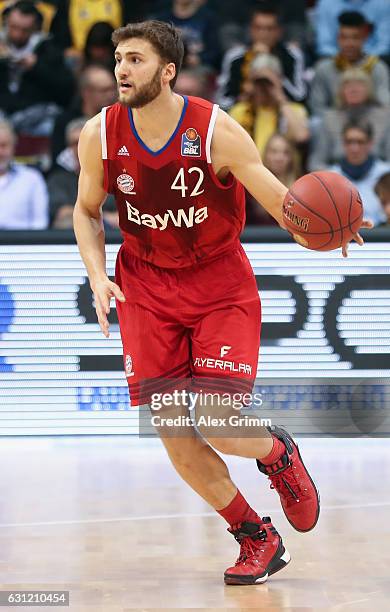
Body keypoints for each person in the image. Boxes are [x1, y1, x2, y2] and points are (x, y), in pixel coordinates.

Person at [73, 20, 369, 586]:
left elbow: (287, 208)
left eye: (134, 59)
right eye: (117, 58)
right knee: (174, 435)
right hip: (146, 287)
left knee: (220, 424)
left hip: (217, 286)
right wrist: (95, 275)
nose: (121, 70)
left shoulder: (215, 131)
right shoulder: (100, 134)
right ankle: (255, 536)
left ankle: (277, 453)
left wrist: (331, 228)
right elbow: (86, 211)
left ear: (168, 70)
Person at [0, 1, 74, 134]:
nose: (17, 34)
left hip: (36, 113)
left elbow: (66, 88)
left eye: (24, 30)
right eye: (13, 27)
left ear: (35, 29)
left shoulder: (48, 49)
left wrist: (36, 66)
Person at [217, 2, 306, 111]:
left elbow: (300, 97)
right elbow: (222, 102)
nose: (263, 34)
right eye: (258, 28)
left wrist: (277, 79)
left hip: (281, 111)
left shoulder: (292, 55)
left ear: (279, 31)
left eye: (269, 28)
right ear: (250, 29)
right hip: (246, 112)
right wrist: (244, 92)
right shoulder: (235, 57)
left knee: (298, 112)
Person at [310, 10, 390, 116]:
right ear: (338, 39)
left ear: (364, 38)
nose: (349, 44)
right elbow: (317, 107)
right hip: (333, 122)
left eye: (355, 38)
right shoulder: (324, 68)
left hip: (369, 123)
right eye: (344, 38)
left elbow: (385, 105)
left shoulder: (377, 68)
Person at [309, 67, 390, 171]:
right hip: (338, 175)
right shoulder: (329, 118)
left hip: (377, 175)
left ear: (369, 89)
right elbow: (316, 162)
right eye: (348, 85)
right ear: (340, 91)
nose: (354, 90)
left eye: (359, 85)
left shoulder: (385, 117)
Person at [229, 54, 309, 158]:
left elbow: (301, 136)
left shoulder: (294, 110)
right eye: (258, 82)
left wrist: (281, 99)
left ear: (279, 81)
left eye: (268, 82)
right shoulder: (240, 110)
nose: (263, 87)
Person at [47, 117, 118, 228]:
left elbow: (126, 218)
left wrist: (82, 216)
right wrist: (106, 218)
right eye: (75, 143)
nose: (81, 146)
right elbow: (62, 214)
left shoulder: (118, 178)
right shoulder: (58, 180)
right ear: (69, 148)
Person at [50, 63, 117, 164]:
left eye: (113, 89)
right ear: (87, 92)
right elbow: (57, 161)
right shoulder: (65, 121)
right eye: (104, 91)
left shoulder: (119, 118)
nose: (111, 95)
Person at [329, 121, 390, 225]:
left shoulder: (386, 173)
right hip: (343, 236)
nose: (354, 148)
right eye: (349, 142)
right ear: (343, 143)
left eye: (360, 142)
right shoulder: (329, 177)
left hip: (382, 235)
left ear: (370, 143)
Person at [0, 119, 48, 228]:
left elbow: (40, 224)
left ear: (13, 147)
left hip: (22, 244)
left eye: (4, 145)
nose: (0, 152)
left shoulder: (32, 179)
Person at [153, 0, 220, 70]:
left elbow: (214, 51)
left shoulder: (208, 18)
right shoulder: (161, 19)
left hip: (198, 68)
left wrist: (200, 59)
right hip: (168, 65)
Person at [315, 0, 390, 58]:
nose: (350, 43)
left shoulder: (383, 3)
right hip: (335, 61)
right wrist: (345, 60)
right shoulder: (326, 3)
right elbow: (324, 46)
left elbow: (384, 46)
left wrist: (361, 60)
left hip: (373, 61)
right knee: (322, 65)